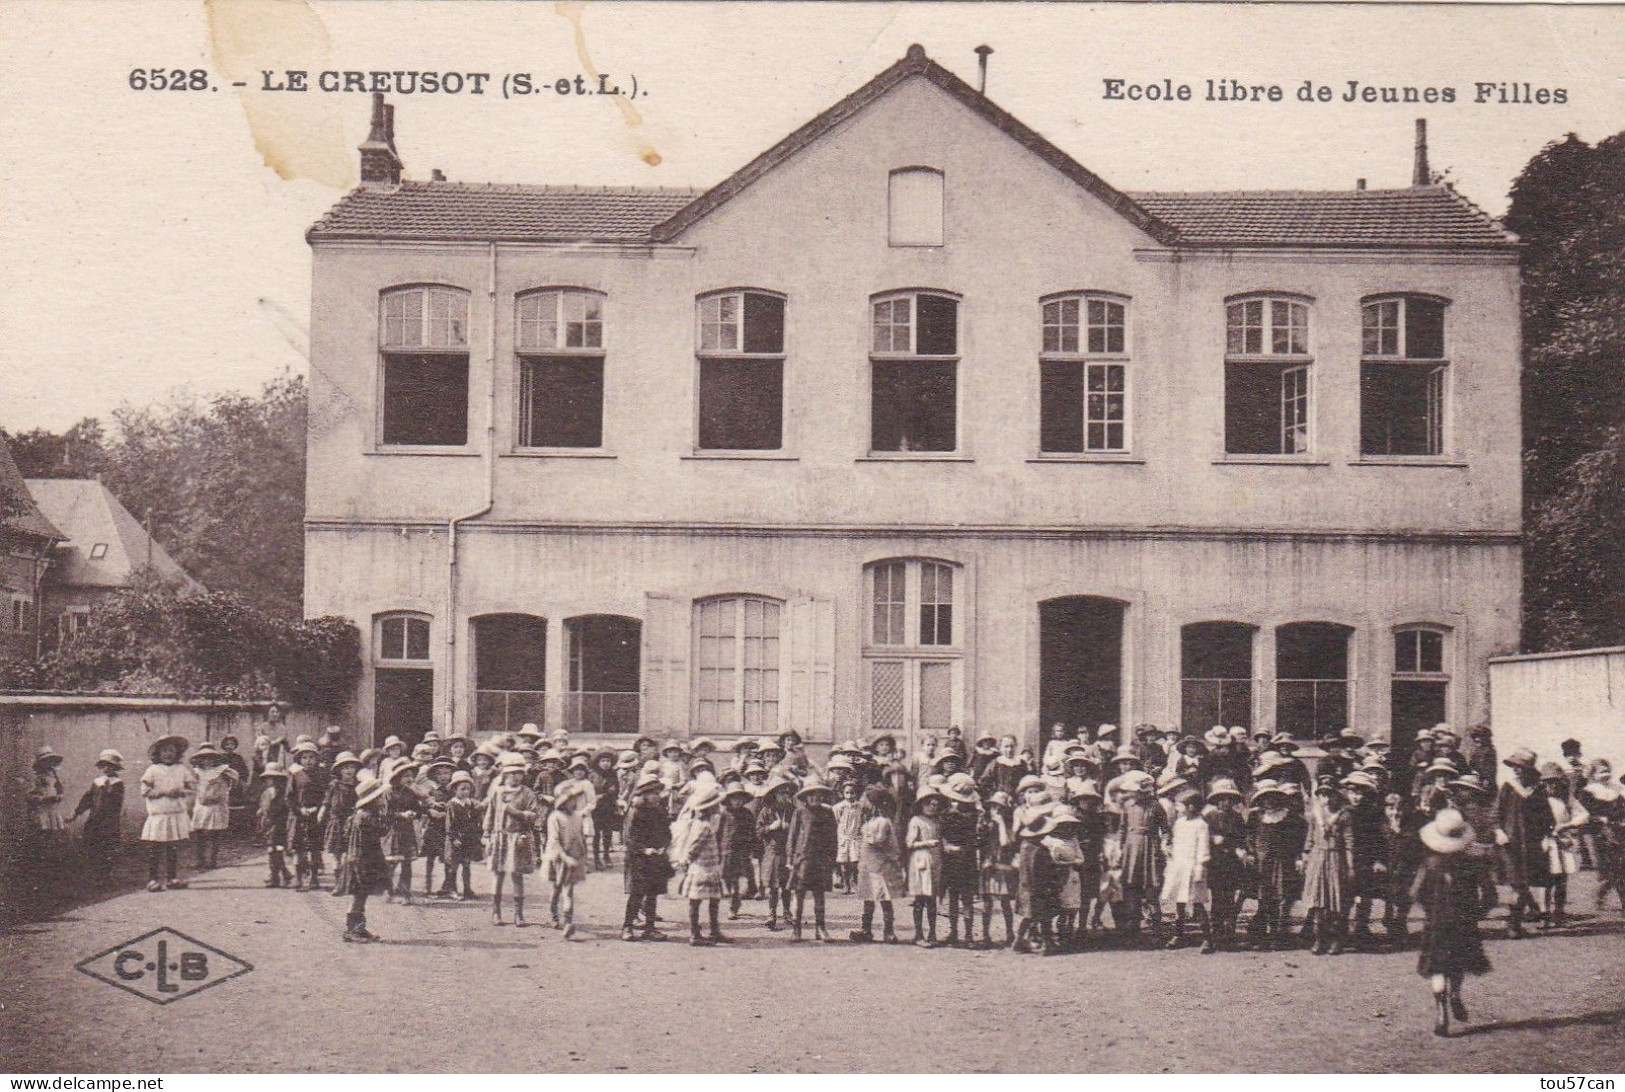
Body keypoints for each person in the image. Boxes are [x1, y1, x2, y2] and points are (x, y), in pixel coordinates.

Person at [1411, 808, 1492, 1037]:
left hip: (1436, 921)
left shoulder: (1429, 864)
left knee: (1437, 967)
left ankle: (1441, 1013)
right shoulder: (1473, 863)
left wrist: (1429, 909)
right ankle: (1455, 994)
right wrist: (1477, 912)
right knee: (1458, 963)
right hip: (1464, 920)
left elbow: (1415, 893)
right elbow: (1489, 894)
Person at [1495, 748, 1552, 938]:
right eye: (1514, 766)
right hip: (1509, 842)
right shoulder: (1508, 787)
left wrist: (1547, 836)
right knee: (1517, 882)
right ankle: (1515, 923)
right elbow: (1497, 813)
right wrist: (1498, 830)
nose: (1516, 770)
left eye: (1520, 767)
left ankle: (1516, 922)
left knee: (1525, 881)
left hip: (1531, 843)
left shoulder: (1538, 790)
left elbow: (1547, 817)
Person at [1249, 780, 1306, 950]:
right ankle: (1262, 934)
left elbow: (1298, 838)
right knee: (1264, 898)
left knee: (1281, 897)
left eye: (1272, 797)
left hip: (1282, 862)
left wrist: (1298, 857)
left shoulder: (1290, 817)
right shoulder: (1256, 816)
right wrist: (1251, 852)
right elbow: (1249, 836)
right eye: (1265, 797)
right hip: (1262, 862)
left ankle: (1278, 934)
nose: (1269, 801)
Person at [485, 753, 540, 927]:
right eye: (511, 773)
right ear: (505, 775)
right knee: (498, 874)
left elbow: (534, 815)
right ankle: (496, 912)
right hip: (500, 836)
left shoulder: (528, 793)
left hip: (519, 837)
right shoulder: (498, 792)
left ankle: (519, 913)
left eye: (519, 773)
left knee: (517, 876)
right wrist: (486, 834)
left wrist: (518, 813)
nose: (515, 776)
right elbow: (490, 813)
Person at [1303, 784, 1355, 955]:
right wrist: (1305, 857)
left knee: (1335, 899)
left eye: (1329, 795)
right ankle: (1319, 939)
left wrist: (1350, 865)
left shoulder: (1343, 815)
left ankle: (1336, 939)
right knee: (1318, 900)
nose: (1326, 799)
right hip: (1318, 858)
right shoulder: (1315, 816)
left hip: (1336, 858)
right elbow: (1310, 838)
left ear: (1335, 796)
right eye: (1322, 795)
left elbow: (1349, 842)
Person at [139, 734, 195, 892]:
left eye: (171, 750)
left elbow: (191, 788)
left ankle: (171, 878)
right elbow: (145, 790)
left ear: (177, 753)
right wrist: (163, 792)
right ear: (158, 753)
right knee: (155, 848)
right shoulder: (153, 770)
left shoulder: (181, 769)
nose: (168, 754)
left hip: (175, 813)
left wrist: (180, 791)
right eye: (164, 751)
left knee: (172, 847)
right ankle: (152, 880)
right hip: (159, 814)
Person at [622, 773, 673, 941]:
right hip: (638, 858)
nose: (657, 796)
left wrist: (664, 846)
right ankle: (627, 926)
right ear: (644, 794)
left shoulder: (659, 810)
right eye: (653, 793)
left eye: (658, 792)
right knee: (636, 893)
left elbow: (667, 832)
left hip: (656, 857)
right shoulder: (635, 811)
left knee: (652, 893)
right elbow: (628, 839)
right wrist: (644, 849)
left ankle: (650, 928)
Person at [339, 773, 390, 942]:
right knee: (359, 895)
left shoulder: (361, 814)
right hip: (362, 859)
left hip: (360, 858)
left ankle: (358, 929)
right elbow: (381, 831)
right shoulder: (366, 816)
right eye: (380, 797)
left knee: (361, 895)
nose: (383, 799)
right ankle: (353, 930)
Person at [787, 777, 839, 942]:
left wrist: (832, 858)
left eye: (818, 795)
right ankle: (796, 929)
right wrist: (790, 857)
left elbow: (833, 837)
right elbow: (792, 836)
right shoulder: (800, 812)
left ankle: (820, 928)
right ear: (806, 797)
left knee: (819, 894)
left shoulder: (828, 812)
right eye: (811, 795)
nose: (815, 798)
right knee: (799, 893)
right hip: (803, 858)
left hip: (821, 859)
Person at [678, 782, 729, 946]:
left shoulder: (704, 823)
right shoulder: (703, 826)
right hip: (701, 868)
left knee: (713, 898)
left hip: (709, 866)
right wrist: (687, 860)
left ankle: (714, 930)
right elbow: (694, 846)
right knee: (697, 899)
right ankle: (695, 933)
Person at [1116, 769, 1165, 941]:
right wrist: (1119, 849)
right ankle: (1133, 924)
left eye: (1134, 792)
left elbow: (1165, 830)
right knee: (1131, 886)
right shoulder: (1127, 806)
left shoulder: (1156, 806)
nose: (1132, 795)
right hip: (1131, 847)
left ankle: (1155, 925)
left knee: (1152, 886)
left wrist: (1164, 846)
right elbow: (1122, 829)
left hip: (1150, 846)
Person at [1162, 788, 1212, 950]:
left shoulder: (1201, 825)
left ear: (1191, 807)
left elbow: (1203, 849)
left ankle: (1207, 938)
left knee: (1196, 902)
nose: (1177, 808)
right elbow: (1176, 842)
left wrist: (1200, 867)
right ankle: (1178, 934)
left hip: (1193, 868)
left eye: (1180, 805)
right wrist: (1170, 851)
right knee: (1179, 902)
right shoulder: (1179, 823)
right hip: (1179, 866)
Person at [1540, 761, 1588, 929]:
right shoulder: (1538, 798)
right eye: (1547, 781)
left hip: (1563, 843)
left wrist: (1568, 826)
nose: (1551, 785)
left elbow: (1583, 815)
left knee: (1562, 880)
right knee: (1546, 880)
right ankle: (1545, 914)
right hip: (1546, 843)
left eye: (1554, 781)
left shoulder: (1566, 798)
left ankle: (1559, 912)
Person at [1201, 778, 1246, 952]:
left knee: (1229, 898)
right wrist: (1212, 839)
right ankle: (1214, 934)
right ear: (1217, 800)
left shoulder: (1237, 817)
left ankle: (1228, 933)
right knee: (1217, 899)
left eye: (1229, 799)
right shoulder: (1209, 816)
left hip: (1231, 863)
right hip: (1215, 862)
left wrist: (1240, 848)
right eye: (1222, 799)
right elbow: (1202, 835)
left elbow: (1242, 838)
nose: (1226, 802)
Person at [543, 778, 590, 937]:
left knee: (568, 891)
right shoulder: (555, 817)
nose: (575, 802)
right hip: (557, 858)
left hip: (573, 857)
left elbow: (580, 838)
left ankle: (568, 922)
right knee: (556, 889)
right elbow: (554, 841)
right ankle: (554, 915)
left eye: (576, 799)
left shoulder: (577, 817)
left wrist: (584, 858)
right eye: (571, 799)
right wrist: (564, 857)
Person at [71, 749, 126, 883]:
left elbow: (117, 802)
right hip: (95, 820)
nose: (107, 768)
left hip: (109, 821)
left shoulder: (118, 784)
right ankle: (94, 873)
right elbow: (88, 798)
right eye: (104, 765)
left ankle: (105, 875)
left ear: (115, 768)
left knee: (107, 847)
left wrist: (110, 792)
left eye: (110, 766)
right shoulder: (97, 782)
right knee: (93, 845)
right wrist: (77, 812)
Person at [939, 778, 981, 947]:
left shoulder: (972, 816)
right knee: (953, 896)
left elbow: (973, 838)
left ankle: (969, 935)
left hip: (966, 858)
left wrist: (961, 848)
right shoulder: (945, 814)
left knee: (967, 898)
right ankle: (954, 932)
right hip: (951, 859)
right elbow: (940, 834)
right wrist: (946, 845)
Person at [1014, 810, 1061, 955]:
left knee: (1028, 916)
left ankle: (1018, 940)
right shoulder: (1040, 850)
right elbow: (1043, 871)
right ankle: (1047, 944)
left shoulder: (1024, 845)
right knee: (1045, 917)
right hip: (1039, 888)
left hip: (1026, 887)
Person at [976, 790, 1019, 948]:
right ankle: (985, 934)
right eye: (994, 807)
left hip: (1003, 866)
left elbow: (1005, 843)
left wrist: (1000, 823)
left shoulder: (1008, 826)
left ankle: (1009, 933)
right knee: (987, 903)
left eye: (1000, 808)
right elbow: (979, 841)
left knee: (1005, 902)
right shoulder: (986, 825)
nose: (996, 811)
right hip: (989, 865)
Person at [1579, 759, 1624, 910]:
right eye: (1601, 771)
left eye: (1607, 771)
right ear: (1593, 774)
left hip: (1617, 832)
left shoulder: (1616, 790)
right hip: (1596, 834)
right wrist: (1599, 819)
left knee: (1619, 868)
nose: (1606, 774)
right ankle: (1602, 894)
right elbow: (1583, 814)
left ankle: (1617, 900)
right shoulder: (1588, 791)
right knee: (1609, 870)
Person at [906, 787, 946, 948]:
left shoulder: (938, 822)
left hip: (935, 861)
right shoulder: (916, 821)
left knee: (932, 899)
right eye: (929, 804)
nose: (932, 807)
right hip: (921, 861)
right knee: (920, 899)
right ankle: (918, 934)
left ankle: (932, 933)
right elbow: (910, 843)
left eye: (936, 804)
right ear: (922, 805)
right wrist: (927, 843)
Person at [186, 743, 234, 871]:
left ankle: (212, 860)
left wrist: (224, 785)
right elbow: (190, 785)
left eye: (211, 758)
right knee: (199, 832)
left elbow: (235, 777)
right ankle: (199, 859)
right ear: (199, 760)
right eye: (204, 758)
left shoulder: (222, 770)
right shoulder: (197, 772)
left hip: (216, 805)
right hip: (202, 805)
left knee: (215, 832)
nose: (207, 761)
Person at [756, 776, 795, 931]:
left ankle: (786, 912)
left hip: (787, 851)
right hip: (772, 851)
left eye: (787, 793)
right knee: (773, 885)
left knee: (786, 885)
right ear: (774, 794)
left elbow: (800, 830)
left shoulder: (792, 811)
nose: (784, 796)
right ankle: (772, 913)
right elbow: (758, 831)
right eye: (781, 793)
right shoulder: (767, 811)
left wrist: (789, 827)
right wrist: (771, 827)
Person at [320, 752, 361, 895]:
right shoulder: (335, 785)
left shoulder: (359, 785)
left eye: (351, 767)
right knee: (336, 855)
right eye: (345, 768)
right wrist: (322, 811)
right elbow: (327, 801)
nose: (349, 771)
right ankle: (338, 883)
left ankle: (349, 883)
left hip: (353, 822)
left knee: (350, 855)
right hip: (337, 821)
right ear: (339, 771)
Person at [442, 770, 483, 900]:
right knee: (453, 865)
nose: (466, 792)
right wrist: (454, 838)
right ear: (455, 789)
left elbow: (475, 820)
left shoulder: (470, 804)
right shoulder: (452, 805)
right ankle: (451, 889)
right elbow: (450, 824)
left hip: (468, 838)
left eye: (468, 789)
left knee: (466, 864)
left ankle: (467, 889)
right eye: (462, 789)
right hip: (456, 839)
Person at [720, 784, 758, 917]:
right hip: (726, 851)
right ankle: (733, 897)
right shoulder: (724, 813)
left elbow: (753, 832)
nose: (737, 801)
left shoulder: (747, 814)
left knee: (735, 879)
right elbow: (718, 832)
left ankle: (734, 905)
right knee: (726, 878)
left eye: (740, 798)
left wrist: (752, 847)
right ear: (729, 799)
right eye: (734, 798)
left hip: (741, 851)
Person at [257, 762, 294, 888]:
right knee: (273, 850)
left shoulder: (281, 793)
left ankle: (275, 876)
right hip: (269, 823)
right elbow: (264, 806)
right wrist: (262, 811)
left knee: (274, 849)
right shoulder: (267, 792)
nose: (271, 781)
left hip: (277, 824)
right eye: (269, 778)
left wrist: (268, 813)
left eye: (274, 778)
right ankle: (283, 873)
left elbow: (277, 808)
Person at [28, 746, 67, 857]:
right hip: (41, 811)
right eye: (45, 761)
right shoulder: (36, 778)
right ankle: (42, 857)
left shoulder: (55, 776)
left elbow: (61, 791)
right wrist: (43, 799)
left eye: (50, 760)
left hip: (53, 810)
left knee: (55, 834)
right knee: (43, 834)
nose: (48, 763)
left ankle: (53, 858)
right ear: (40, 763)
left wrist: (59, 796)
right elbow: (29, 795)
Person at [833, 780, 864, 894]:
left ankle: (853, 882)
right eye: (847, 793)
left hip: (855, 837)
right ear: (843, 793)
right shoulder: (839, 807)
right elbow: (837, 821)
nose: (849, 795)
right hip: (844, 837)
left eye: (852, 793)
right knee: (844, 863)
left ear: (856, 793)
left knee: (855, 862)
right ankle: (846, 884)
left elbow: (862, 819)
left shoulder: (860, 806)